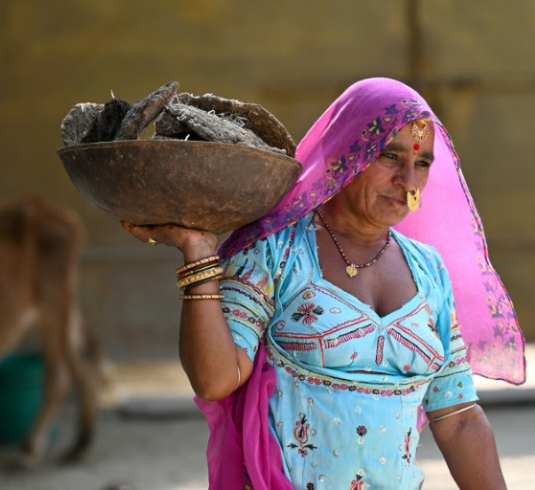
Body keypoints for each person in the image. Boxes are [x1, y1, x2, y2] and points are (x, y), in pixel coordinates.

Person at [122, 77, 526, 489]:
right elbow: (215, 379)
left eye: (422, 163)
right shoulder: (278, 251)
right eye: (390, 156)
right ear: (348, 152)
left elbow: (457, 417)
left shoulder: (429, 270)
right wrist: (198, 253)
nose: (408, 181)